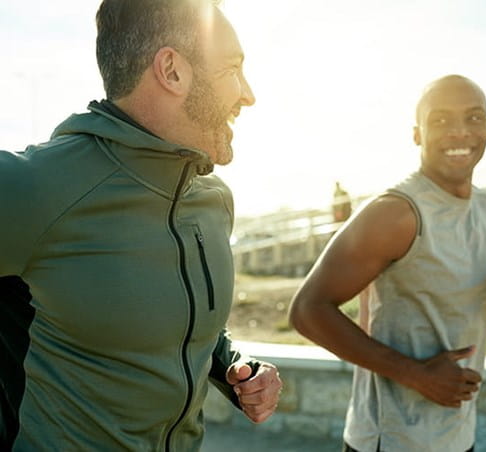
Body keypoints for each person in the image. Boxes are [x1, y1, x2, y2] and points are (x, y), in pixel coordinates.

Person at [0, 0, 282, 450]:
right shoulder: (34, 187)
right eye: (232, 69)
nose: (247, 94)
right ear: (171, 70)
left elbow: (179, 321)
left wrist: (235, 365)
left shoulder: (213, 201)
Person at [289, 74, 486, 452]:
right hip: (389, 441)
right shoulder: (397, 213)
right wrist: (416, 375)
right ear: (417, 134)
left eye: (473, 117)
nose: (459, 132)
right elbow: (307, 311)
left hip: (457, 438)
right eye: (440, 120)